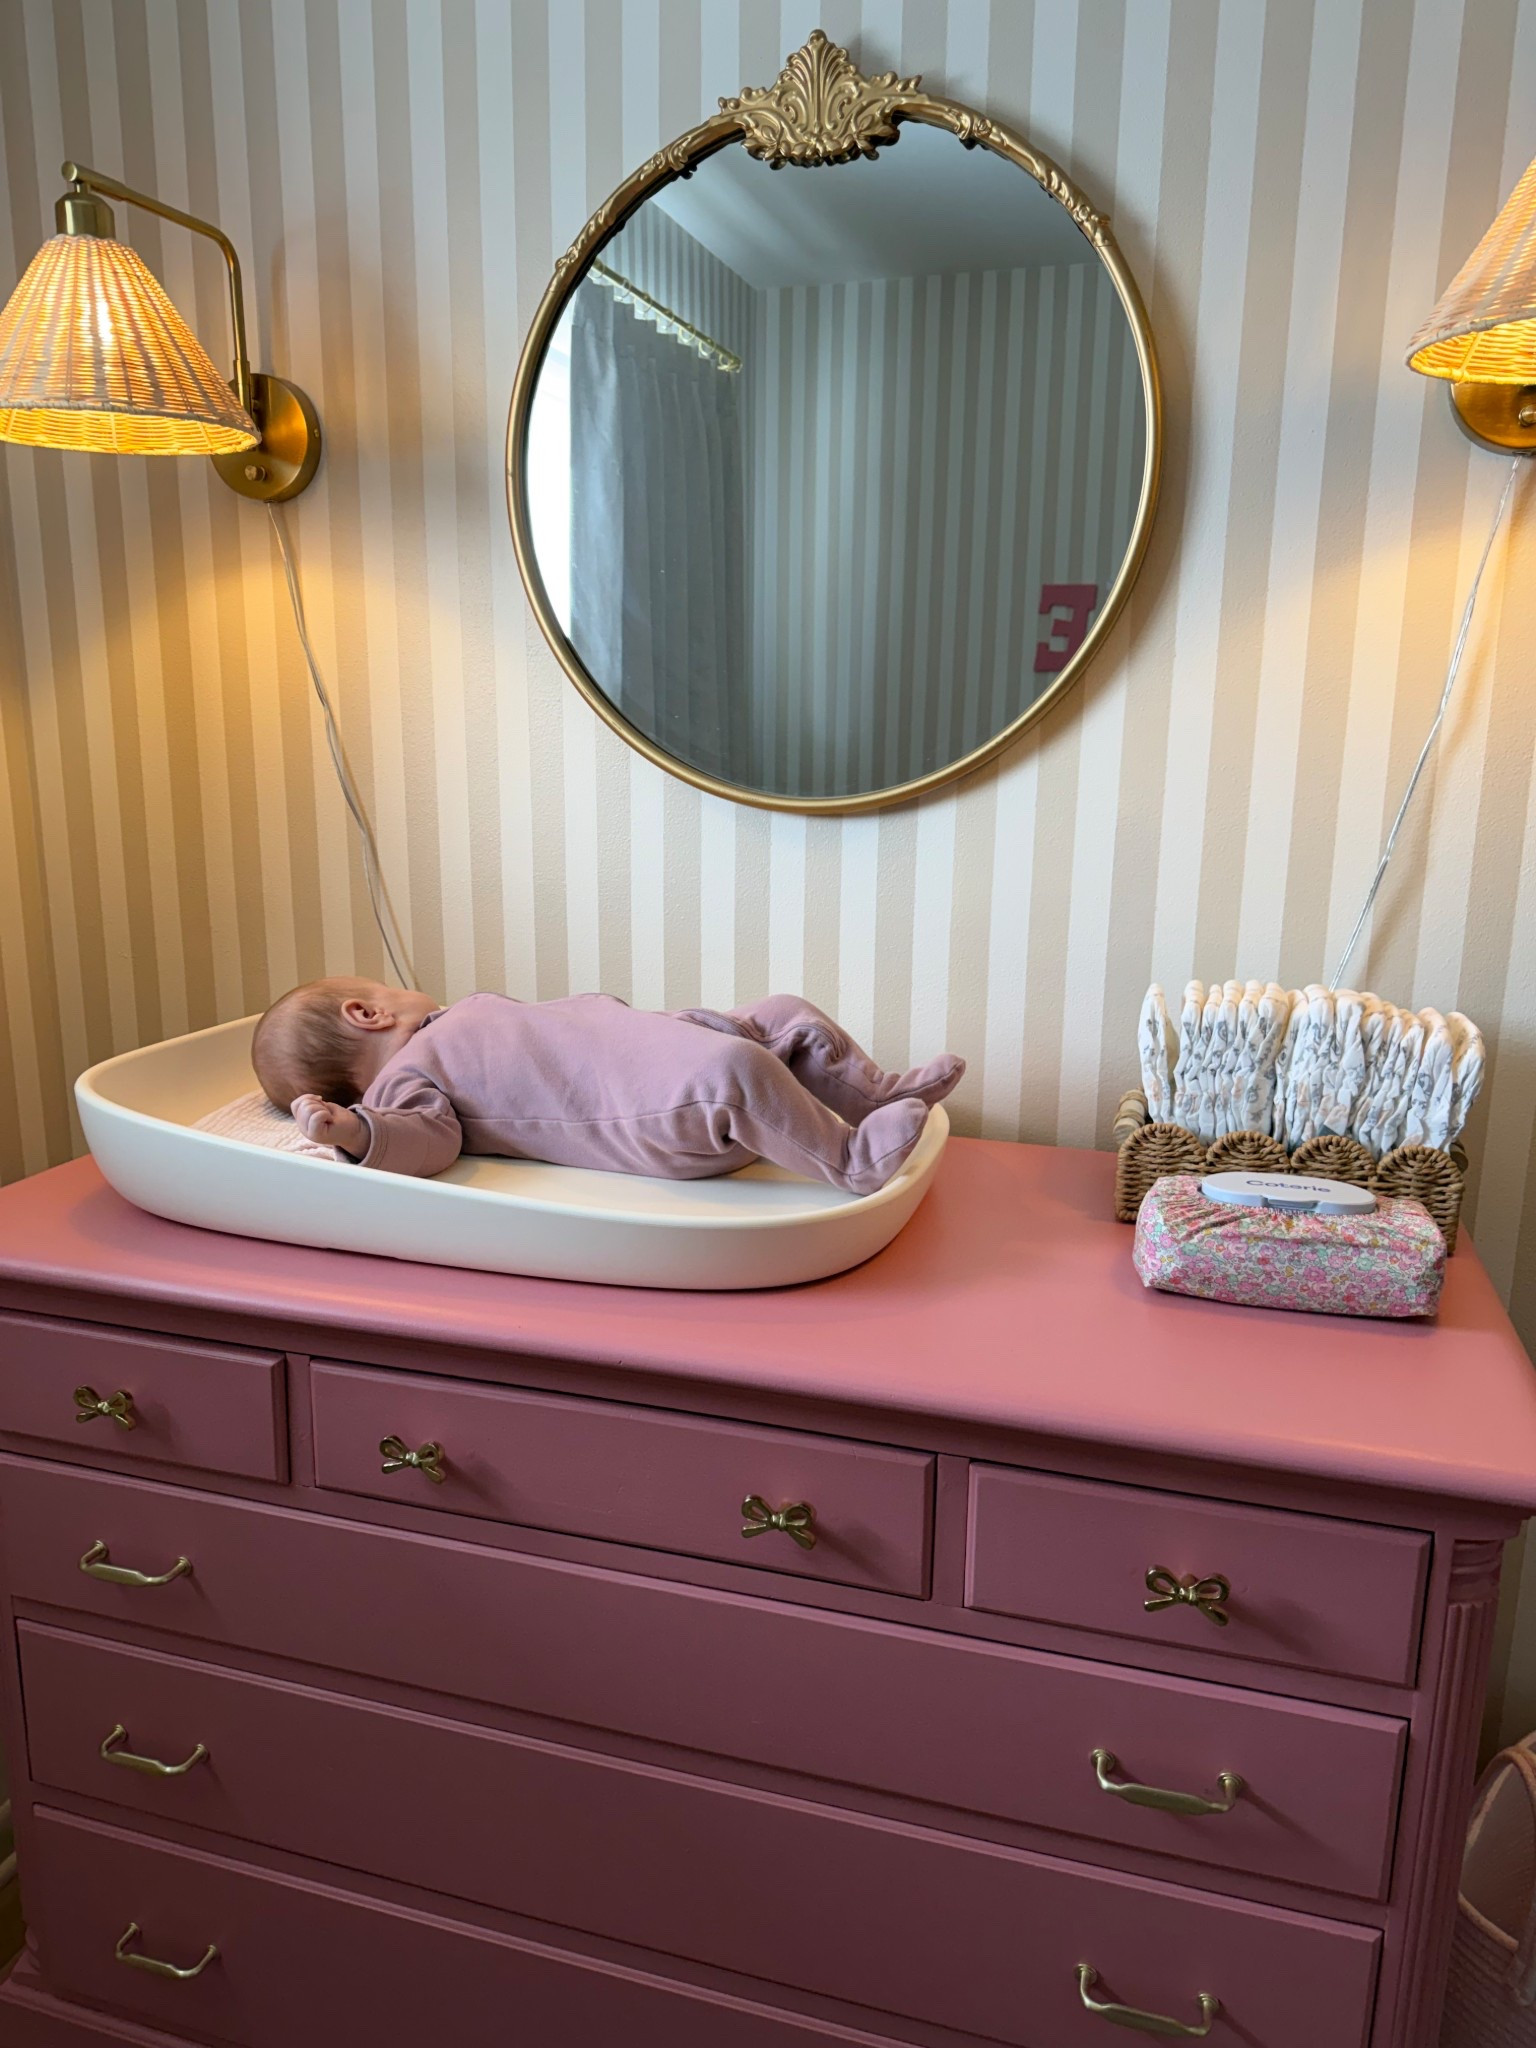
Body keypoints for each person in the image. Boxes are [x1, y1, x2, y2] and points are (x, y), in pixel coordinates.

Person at [251, 979, 963, 1196]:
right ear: (366, 1013)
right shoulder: (405, 1079)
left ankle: (867, 1096)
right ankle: (853, 1160)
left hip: (672, 1045)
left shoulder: (453, 1022)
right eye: (381, 986)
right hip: (655, 1110)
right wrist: (356, 1132)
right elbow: (426, 1143)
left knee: (781, 1014)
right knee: (735, 1074)